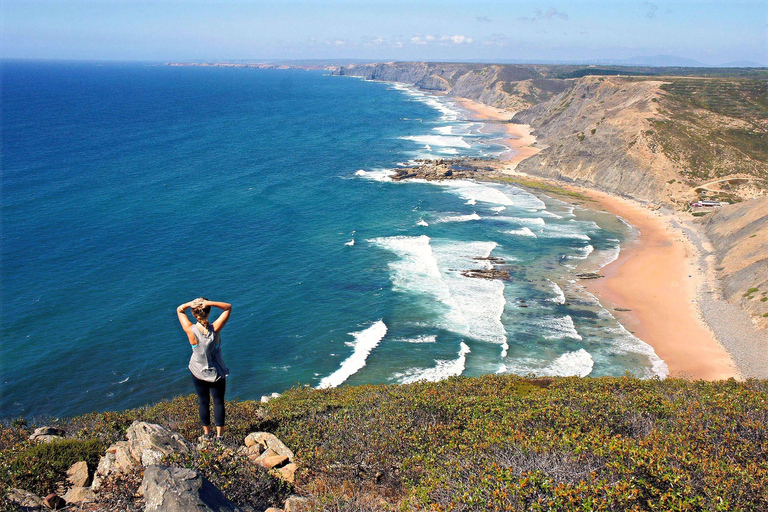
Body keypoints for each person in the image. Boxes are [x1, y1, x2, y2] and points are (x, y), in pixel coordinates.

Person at [176, 297, 232, 440]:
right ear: (208, 312)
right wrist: (210, 303)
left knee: (203, 401)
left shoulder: (190, 329)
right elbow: (228, 307)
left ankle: (207, 434)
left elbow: (179, 310)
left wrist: (189, 304)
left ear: (194, 314)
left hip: (197, 371)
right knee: (218, 402)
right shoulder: (215, 330)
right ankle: (220, 437)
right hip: (216, 373)